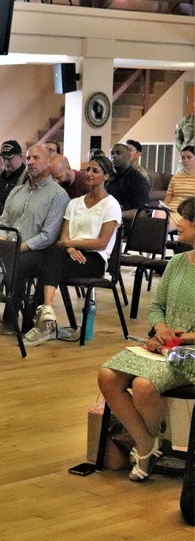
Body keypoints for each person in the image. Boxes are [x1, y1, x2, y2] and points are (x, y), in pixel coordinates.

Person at [97, 196, 195, 481]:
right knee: (107, 376)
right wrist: (161, 327)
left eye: (184, 219)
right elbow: (157, 307)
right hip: (165, 343)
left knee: (143, 385)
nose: (177, 223)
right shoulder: (177, 262)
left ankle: (151, 443)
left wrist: (181, 337)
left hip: (188, 350)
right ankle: (146, 442)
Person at [23, 156, 123, 347]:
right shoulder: (75, 203)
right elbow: (63, 239)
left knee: (50, 261)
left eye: (95, 171)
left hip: (95, 260)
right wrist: (69, 247)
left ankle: (44, 320)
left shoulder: (111, 205)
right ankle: (46, 317)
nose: (89, 174)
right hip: (69, 254)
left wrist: (72, 244)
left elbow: (102, 242)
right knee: (49, 257)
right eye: (88, 169)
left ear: (106, 176)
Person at [0, 144, 70, 334]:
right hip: (9, 247)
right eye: (28, 158)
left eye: (36, 158)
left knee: (17, 263)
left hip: (38, 253)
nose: (31, 162)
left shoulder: (58, 195)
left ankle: (11, 319)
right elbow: (3, 223)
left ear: (49, 162)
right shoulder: (16, 192)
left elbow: (48, 236)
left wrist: (17, 248)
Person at [106, 142, 150, 220]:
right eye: (112, 153)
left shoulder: (137, 179)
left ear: (128, 156)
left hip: (125, 222)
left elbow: (143, 211)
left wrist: (118, 215)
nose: (114, 156)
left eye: (118, 153)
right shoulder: (106, 177)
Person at [163, 145, 195, 231]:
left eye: (189, 157)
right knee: (158, 213)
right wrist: (163, 205)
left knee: (162, 225)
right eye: (183, 158)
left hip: (188, 212)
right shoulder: (176, 177)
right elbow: (169, 195)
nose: (185, 160)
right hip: (171, 209)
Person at [0, 140, 27, 213]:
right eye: (3, 158)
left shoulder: (28, 179)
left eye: (9, 158)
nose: (5, 162)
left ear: (20, 156)